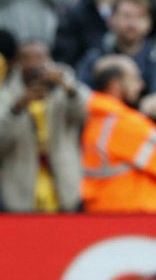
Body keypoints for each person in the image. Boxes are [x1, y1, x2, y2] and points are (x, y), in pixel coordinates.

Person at [81, 54, 156, 213]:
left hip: (106, 208)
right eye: (134, 78)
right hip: (138, 212)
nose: (141, 85)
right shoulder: (124, 123)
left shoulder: (95, 117)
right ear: (115, 84)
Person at [76, 0, 156, 137]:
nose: (132, 23)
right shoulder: (95, 59)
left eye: (140, 17)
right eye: (126, 16)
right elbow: (81, 111)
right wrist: (139, 111)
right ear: (112, 19)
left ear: (149, 23)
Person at [0, 40, 90, 212]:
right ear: (17, 63)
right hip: (21, 183)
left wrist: (68, 88)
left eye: (40, 57)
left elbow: (84, 113)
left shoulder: (65, 85)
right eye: (26, 58)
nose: (34, 64)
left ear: (50, 59)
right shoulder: (6, 94)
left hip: (64, 179)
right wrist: (18, 107)